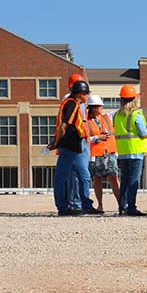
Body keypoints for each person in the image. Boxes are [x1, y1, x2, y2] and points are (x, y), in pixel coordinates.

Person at [52, 80, 100, 215]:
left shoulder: (72, 103)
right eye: (86, 94)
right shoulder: (72, 104)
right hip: (70, 147)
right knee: (72, 176)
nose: (87, 97)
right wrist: (56, 143)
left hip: (71, 146)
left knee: (73, 175)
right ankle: (72, 206)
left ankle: (75, 206)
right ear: (80, 94)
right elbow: (64, 126)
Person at [113, 84, 147, 216]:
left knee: (124, 180)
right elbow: (142, 132)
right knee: (134, 181)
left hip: (123, 152)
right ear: (134, 99)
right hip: (135, 152)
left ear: (121, 100)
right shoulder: (136, 114)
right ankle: (131, 207)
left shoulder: (117, 116)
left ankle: (122, 207)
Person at [85, 94, 120, 213]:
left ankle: (121, 205)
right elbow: (86, 138)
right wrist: (97, 137)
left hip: (109, 153)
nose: (102, 108)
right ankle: (100, 205)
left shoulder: (106, 117)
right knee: (97, 180)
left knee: (114, 178)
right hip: (95, 155)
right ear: (93, 107)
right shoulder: (86, 121)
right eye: (100, 106)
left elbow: (118, 111)